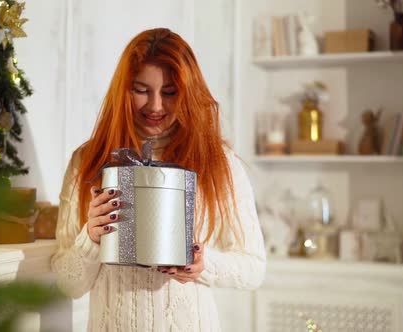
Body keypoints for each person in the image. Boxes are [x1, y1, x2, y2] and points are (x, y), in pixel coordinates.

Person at [51, 27, 266, 331]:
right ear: (123, 90)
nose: (155, 106)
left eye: (169, 92)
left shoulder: (219, 162)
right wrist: (91, 238)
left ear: (187, 94)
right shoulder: (87, 162)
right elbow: (66, 285)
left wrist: (203, 265)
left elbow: (254, 268)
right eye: (141, 90)